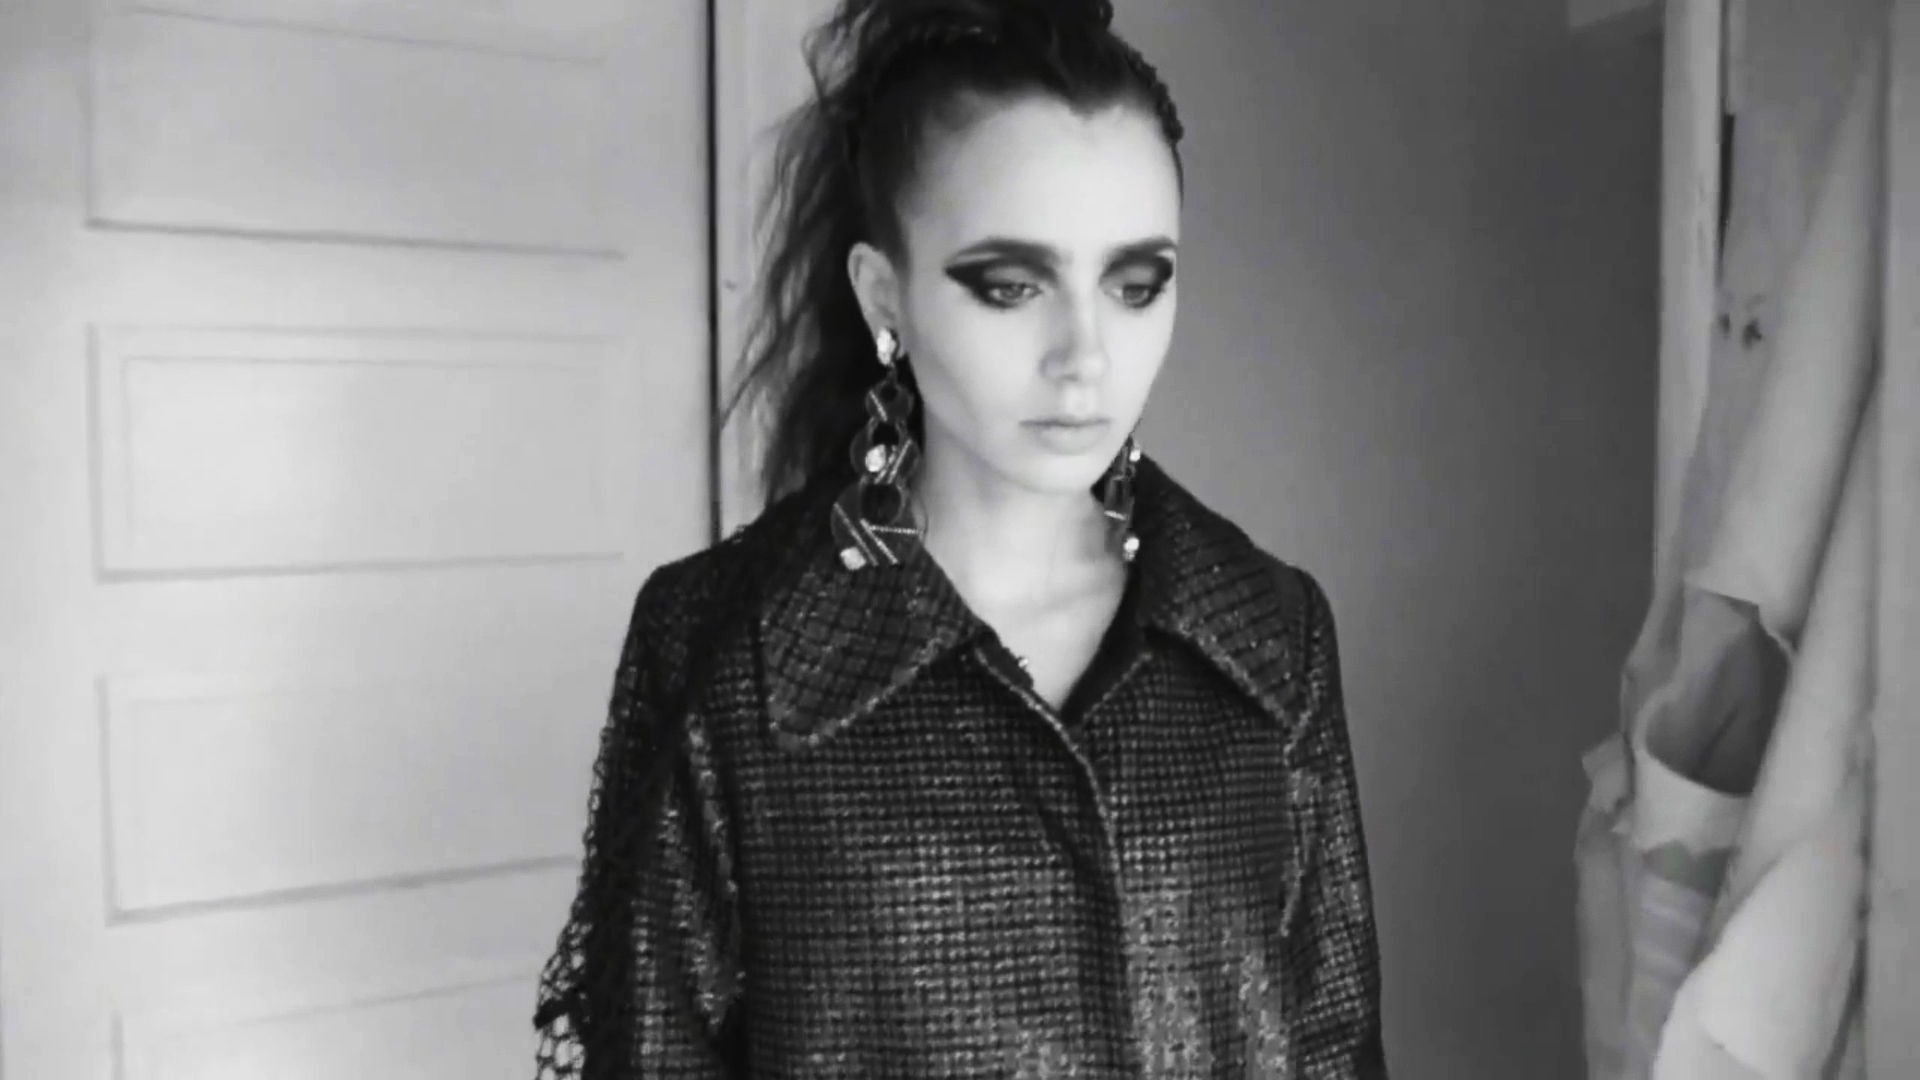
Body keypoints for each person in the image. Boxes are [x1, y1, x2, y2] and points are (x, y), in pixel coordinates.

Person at [531, 0, 1387, 1076]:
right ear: (884, 296)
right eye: (1011, 287)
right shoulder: (721, 649)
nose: (1085, 356)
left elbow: (1335, 1048)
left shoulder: (1270, 633)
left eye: (1136, 285)